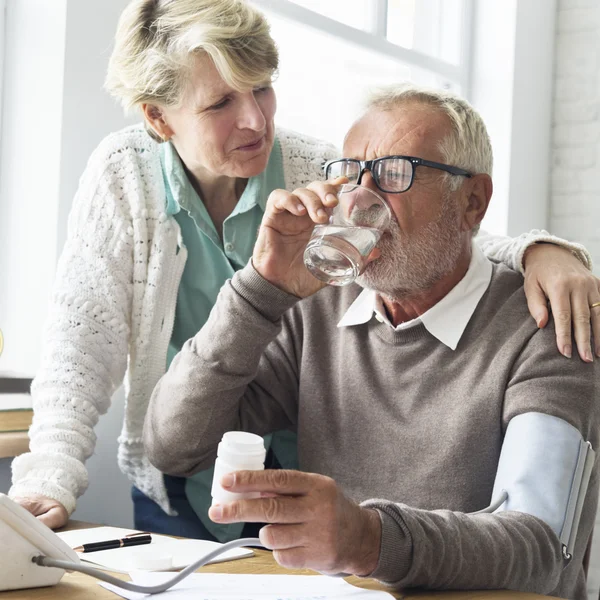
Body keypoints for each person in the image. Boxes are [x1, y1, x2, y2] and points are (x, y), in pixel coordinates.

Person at [8, 0, 599, 542]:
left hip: (304, 466)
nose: (254, 122)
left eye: (262, 89)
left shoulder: (326, 168)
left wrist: (539, 251)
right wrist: (49, 476)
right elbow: (80, 344)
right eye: (220, 103)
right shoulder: (125, 177)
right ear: (159, 120)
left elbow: (438, 231)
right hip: (190, 459)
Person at [144, 84, 600, 600]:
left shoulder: (547, 323)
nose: (359, 201)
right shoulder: (317, 306)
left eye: (393, 173)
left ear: (472, 202)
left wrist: (370, 539)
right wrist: (259, 290)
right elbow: (173, 446)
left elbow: (541, 549)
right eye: (349, 174)